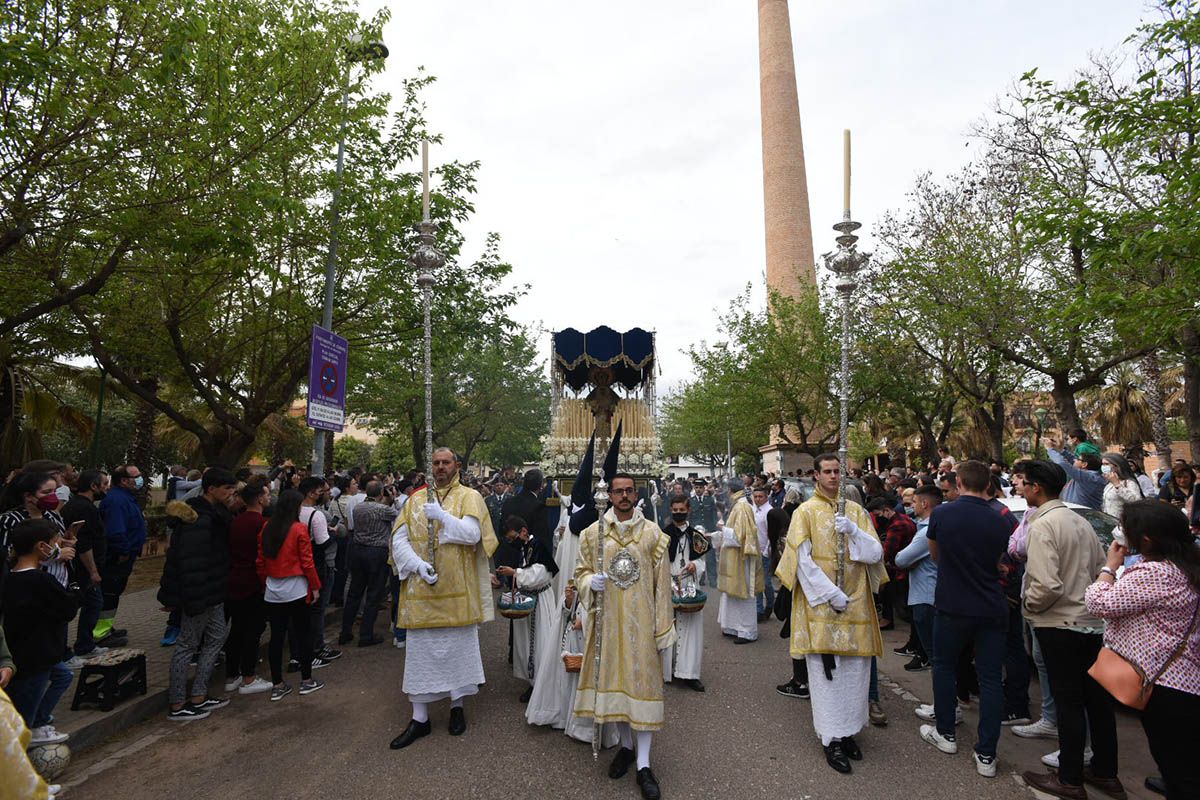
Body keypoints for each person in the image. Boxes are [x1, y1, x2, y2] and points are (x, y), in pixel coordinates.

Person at [776, 453, 886, 774]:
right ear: (816, 476)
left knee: (855, 674)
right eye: (828, 472)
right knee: (828, 677)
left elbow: (875, 553)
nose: (834, 477)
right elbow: (802, 561)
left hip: (856, 606)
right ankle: (830, 739)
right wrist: (829, 594)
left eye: (839, 471)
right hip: (822, 607)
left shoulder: (855, 511)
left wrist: (854, 530)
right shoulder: (805, 512)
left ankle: (849, 731)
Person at [1019, 459, 1120, 800]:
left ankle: (1070, 778)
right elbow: (1099, 568)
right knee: (1096, 702)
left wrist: (1030, 607)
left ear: (1036, 487)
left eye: (1024, 483)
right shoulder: (1080, 521)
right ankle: (1106, 772)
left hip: (1059, 623)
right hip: (1089, 623)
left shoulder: (1043, 525)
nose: (1020, 487)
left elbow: (1046, 585)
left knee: (1069, 703)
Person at [1086, 500, 1200, 800]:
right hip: (1186, 678)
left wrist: (1109, 567)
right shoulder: (1187, 565)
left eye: (1126, 529)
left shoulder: (1155, 574)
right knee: (1183, 761)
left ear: (1146, 539)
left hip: (1164, 686)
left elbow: (1099, 603)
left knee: (1179, 770)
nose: (1121, 533)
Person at [388, 447, 498, 749]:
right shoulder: (414, 500)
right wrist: (416, 565)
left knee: (457, 653)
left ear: (456, 465)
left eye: (445, 462)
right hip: (421, 591)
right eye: (435, 463)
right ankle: (419, 718)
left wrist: (443, 517)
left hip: (456, 592)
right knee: (420, 657)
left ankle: (456, 707)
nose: (440, 467)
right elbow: (398, 540)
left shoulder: (470, 497)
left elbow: (473, 536)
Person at [573, 473, 674, 800]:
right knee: (615, 686)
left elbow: (662, 587)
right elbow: (581, 573)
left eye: (629, 490)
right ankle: (626, 747)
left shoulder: (653, 535)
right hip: (609, 626)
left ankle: (644, 764)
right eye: (618, 491)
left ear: (636, 493)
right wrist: (590, 583)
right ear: (609, 496)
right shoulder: (592, 535)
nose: (624, 496)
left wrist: (662, 628)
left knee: (641, 689)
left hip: (641, 626)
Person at [917, 460, 1010, 778]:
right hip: (991, 605)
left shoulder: (942, 513)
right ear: (988, 484)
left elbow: (934, 554)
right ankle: (987, 753)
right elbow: (1001, 558)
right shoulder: (1001, 518)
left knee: (943, 666)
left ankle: (946, 733)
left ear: (958, 482)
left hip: (953, 602)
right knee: (990, 679)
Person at [158, 468, 237, 721]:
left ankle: (199, 695)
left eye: (232, 490)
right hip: (199, 594)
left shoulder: (217, 514)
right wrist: (184, 598)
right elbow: (188, 561)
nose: (230, 494)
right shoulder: (198, 519)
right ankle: (178, 703)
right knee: (187, 646)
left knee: (215, 639)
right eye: (226, 489)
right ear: (210, 489)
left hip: (214, 592)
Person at [2, 519, 78, 744]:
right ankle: (29, 736)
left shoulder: (11, 576)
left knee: (63, 675)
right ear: (41, 546)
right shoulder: (40, 580)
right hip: (36, 655)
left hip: (31, 651)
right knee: (23, 713)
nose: (57, 548)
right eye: (55, 543)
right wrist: (74, 592)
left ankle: (40, 720)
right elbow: (67, 608)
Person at [256, 489, 324, 702]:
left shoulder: (266, 527)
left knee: (277, 637)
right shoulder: (298, 529)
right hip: (295, 587)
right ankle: (306, 680)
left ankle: (277, 684)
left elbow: (260, 561)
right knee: (303, 633)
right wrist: (315, 586)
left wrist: (264, 583)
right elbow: (307, 562)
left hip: (272, 589)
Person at [496, 515, 558, 701]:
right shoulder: (523, 547)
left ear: (523, 531)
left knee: (540, 642)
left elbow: (541, 574)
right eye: (508, 540)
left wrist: (515, 573)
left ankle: (543, 685)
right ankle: (532, 682)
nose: (511, 542)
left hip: (540, 599)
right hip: (527, 599)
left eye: (512, 537)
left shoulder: (539, 545)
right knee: (526, 644)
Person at [223, 482, 272, 696]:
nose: (269, 497)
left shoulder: (235, 521)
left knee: (236, 629)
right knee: (253, 630)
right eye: (267, 494)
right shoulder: (261, 523)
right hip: (253, 581)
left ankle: (232, 675)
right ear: (260, 499)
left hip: (234, 580)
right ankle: (249, 677)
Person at [338, 480, 398, 647]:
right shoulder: (382, 509)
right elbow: (398, 516)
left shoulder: (358, 507)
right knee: (373, 594)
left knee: (354, 593)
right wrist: (391, 499)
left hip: (358, 550)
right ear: (381, 493)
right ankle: (366, 634)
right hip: (377, 552)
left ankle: (345, 632)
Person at [95, 464, 147, 645]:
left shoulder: (125, 498)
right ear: (124, 481)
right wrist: (124, 551)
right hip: (117, 558)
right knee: (109, 594)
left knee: (113, 594)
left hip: (125, 556)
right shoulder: (117, 500)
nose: (140, 479)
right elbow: (116, 531)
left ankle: (105, 628)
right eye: (136, 476)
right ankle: (100, 634)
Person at [660, 495, 708, 692]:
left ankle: (689, 673)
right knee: (667, 625)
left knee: (690, 627)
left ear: (688, 510)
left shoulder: (696, 535)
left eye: (682, 510)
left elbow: (702, 562)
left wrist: (694, 564)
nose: (678, 513)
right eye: (675, 510)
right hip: (668, 582)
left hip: (688, 582)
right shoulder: (663, 535)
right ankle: (667, 670)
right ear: (671, 510)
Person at [61, 470, 108, 662]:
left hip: (82, 569)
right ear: (93, 486)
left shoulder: (81, 506)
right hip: (80, 571)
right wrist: (93, 571)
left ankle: (85, 645)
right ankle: (64, 654)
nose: (107, 488)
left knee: (94, 604)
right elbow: (83, 544)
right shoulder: (83, 508)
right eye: (104, 484)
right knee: (69, 610)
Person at [293, 476, 339, 669]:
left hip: (297, 566)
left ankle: (301, 651)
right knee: (318, 609)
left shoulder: (294, 512)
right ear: (312, 493)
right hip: (318, 565)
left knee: (301, 612)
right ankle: (316, 647)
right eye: (323, 491)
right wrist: (334, 532)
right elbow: (322, 542)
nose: (326, 494)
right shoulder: (316, 515)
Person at [895, 485, 941, 672]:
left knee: (935, 654)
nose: (911, 506)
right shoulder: (926, 527)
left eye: (914, 502)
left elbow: (902, 559)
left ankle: (944, 700)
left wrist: (908, 561)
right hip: (930, 594)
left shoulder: (926, 532)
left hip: (926, 595)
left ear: (925, 503)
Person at [715, 478, 762, 644]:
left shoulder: (742, 507)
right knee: (732, 594)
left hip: (742, 559)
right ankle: (732, 627)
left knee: (743, 594)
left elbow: (739, 537)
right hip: (735, 557)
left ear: (730, 491)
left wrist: (722, 529)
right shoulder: (740, 505)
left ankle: (747, 631)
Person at [1045, 437, 1106, 510]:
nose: (1075, 460)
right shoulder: (1089, 475)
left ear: (1084, 464)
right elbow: (1071, 458)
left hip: (1083, 515)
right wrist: (1060, 450)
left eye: (1078, 459)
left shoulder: (1089, 477)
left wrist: (1050, 449)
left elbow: (1062, 463)